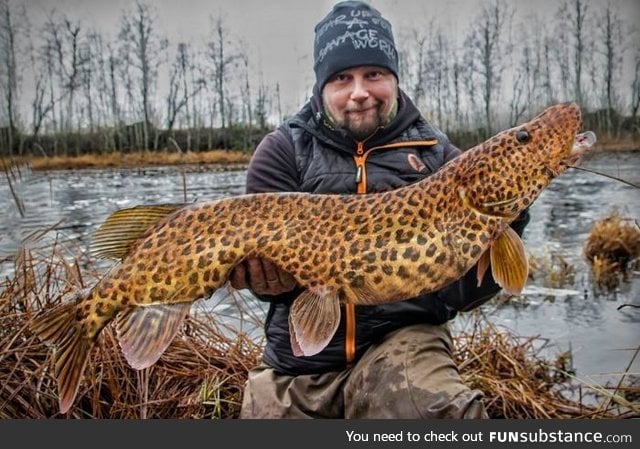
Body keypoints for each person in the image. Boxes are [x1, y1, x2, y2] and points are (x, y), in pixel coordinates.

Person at [230, 0, 529, 419]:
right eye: (341, 78)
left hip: (405, 348)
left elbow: (461, 294)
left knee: (435, 411)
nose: (359, 92)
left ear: (394, 79)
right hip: (298, 365)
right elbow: (266, 285)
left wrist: (508, 217)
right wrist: (266, 282)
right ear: (321, 88)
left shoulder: (437, 156)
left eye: (374, 74)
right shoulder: (283, 152)